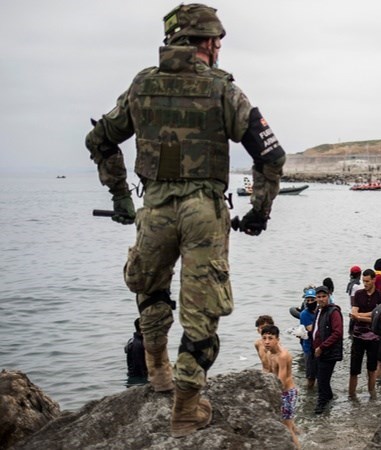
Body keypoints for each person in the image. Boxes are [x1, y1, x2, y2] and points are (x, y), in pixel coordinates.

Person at [85, 3, 286, 438]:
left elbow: (100, 138)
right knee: (201, 312)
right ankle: (186, 409)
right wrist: (259, 212)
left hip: (154, 209)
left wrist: (121, 196)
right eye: (216, 41)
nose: (218, 48)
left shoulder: (142, 85)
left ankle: (157, 369)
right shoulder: (222, 89)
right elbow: (271, 155)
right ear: (208, 43)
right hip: (203, 213)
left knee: (150, 285)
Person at [260, 325, 298, 448]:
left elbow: (280, 380)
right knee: (289, 423)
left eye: (270, 338)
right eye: (264, 338)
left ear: (277, 339)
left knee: (287, 427)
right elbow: (268, 371)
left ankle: (297, 447)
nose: (266, 342)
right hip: (279, 392)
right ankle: (301, 434)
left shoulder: (282, 356)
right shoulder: (268, 352)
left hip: (287, 393)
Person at [348, 270, 381, 399]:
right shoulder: (358, 294)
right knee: (354, 370)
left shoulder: (380, 296)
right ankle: (351, 395)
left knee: (371, 369)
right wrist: (370, 315)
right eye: (364, 281)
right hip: (358, 336)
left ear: (374, 280)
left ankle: (372, 395)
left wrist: (360, 316)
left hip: (374, 337)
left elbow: (379, 318)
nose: (365, 283)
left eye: (367, 281)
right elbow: (353, 313)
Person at [312, 285, 343, 414]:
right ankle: (329, 397)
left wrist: (322, 346)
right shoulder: (319, 311)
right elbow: (317, 330)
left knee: (322, 379)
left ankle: (321, 404)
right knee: (322, 378)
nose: (321, 299)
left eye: (324, 296)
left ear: (329, 297)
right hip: (319, 351)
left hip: (328, 352)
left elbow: (338, 332)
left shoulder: (333, 312)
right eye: (318, 297)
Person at [298, 291, 318, 389]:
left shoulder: (320, 310)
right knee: (310, 377)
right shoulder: (304, 314)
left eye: (312, 300)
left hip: (320, 346)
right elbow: (310, 328)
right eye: (308, 300)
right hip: (309, 347)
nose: (310, 302)